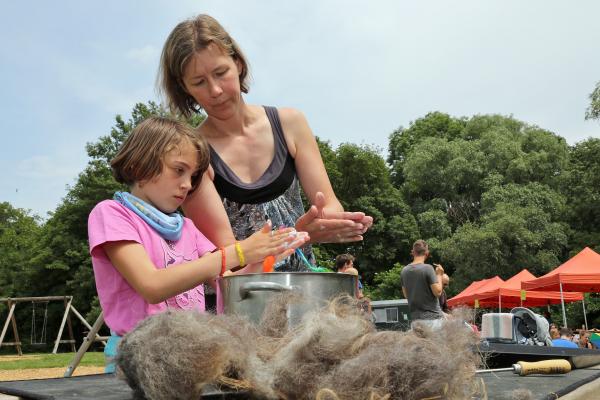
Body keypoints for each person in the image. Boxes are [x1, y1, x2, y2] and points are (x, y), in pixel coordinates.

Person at [88, 117, 309, 372]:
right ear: (139, 167)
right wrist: (238, 252)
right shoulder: (112, 214)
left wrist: (262, 259)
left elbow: (227, 285)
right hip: (136, 362)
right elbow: (152, 285)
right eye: (178, 170)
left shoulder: (188, 228)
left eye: (193, 176)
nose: (188, 185)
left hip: (191, 358)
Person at [158, 14, 373, 271]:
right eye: (199, 82)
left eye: (220, 72)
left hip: (303, 287)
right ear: (185, 88)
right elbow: (226, 255)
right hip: (241, 297)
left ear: (237, 63)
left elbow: (327, 202)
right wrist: (297, 234)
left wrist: (326, 221)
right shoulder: (192, 153)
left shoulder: (290, 123)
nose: (215, 90)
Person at [401, 240, 445, 329]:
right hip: (433, 320)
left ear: (413, 252)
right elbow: (438, 292)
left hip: (416, 322)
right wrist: (439, 275)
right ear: (427, 253)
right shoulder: (427, 268)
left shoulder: (404, 271)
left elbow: (406, 295)